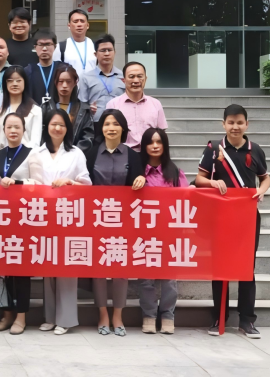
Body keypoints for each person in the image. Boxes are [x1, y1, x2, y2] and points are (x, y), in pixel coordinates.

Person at [196, 104, 270, 339]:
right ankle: (219, 317)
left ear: (247, 124)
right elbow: (199, 179)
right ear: (223, 124)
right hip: (220, 216)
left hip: (248, 217)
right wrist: (213, 183)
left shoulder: (255, 150)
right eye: (231, 122)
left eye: (239, 122)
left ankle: (247, 320)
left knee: (247, 268)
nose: (235, 127)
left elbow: (265, 178)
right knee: (220, 267)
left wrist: (261, 190)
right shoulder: (213, 149)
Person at [0, 112, 45, 335]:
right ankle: (6, 314)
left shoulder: (31, 153)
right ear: (4, 130)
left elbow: (39, 184)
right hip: (2, 219)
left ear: (24, 130)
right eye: (9, 127)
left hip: (24, 218)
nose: (13, 131)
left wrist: (17, 183)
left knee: (21, 270)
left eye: (17, 127)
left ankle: (21, 316)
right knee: (3, 270)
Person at [85, 109, 145, 337]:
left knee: (121, 269)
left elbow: (139, 182)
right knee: (99, 269)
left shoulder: (133, 156)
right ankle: (102, 314)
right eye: (107, 123)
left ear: (123, 128)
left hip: (124, 220)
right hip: (96, 220)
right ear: (101, 128)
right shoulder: (90, 154)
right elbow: (84, 183)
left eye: (116, 124)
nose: (111, 128)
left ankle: (118, 315)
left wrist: (141, 179)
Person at [35, 108, 91, 336]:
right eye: (53, 124)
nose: (57, 128)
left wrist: (70, 182)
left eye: (62, 125)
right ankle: (50, 317)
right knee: (48, 267)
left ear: (68, 129)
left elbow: (87, 185)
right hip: (42, 216)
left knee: (66, 268)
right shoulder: (36, 153)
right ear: (46, 126)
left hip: (68, 216)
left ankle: (66, 319)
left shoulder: (76, 153)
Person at [138, 127, 186, 335]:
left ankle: (167, 315)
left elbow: (186, 199)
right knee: (146, 278)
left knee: (169, 279)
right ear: (144, 146)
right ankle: (148, 315)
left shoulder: (175, 172)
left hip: (169, 233)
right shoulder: (137, 171)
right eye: (151, 142)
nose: (155, 146)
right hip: (144, 233)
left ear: (165, 145)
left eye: (159, 142)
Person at [105, 62, 167, 151]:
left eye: (140, 76)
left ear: (145, 79)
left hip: (149, 154)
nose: (136, 80)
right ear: (124, 80)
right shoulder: (113, 105)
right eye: (131, 76)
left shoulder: (156, 104)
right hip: (123, 153)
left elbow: (161, 133)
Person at [41, 64, 95, 153]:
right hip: (49, 155)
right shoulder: (45, 107)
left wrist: (72, 153)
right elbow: (40, 135)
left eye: (68, 81)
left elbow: (87, 138)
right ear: (55, 82)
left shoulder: (84, 109)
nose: (64, 85)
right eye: (61, 81)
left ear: (75, 82)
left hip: (74, 156)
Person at [78, 34, 125, 122]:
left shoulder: (123, 76)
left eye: (109, 50)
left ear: (114, 52)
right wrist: (89, 109)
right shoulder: (86, 77)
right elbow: (82, 105)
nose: (107, 53)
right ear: (95, 54)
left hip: (118, 124)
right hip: (95, 124)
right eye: (103, 50)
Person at [0, 66, 42, 149]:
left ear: (25, 82)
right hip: (3, 155)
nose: (14, 84)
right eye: (10, 81)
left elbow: (35, 141)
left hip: (27, 155)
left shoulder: (35, 110)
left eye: (18, 80)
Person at [24, 30, 64, 105]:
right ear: (35, 47)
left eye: (48, 44)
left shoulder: (62, 69)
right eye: (40, 44)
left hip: (58, 111)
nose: (44, 49)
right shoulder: (28, 71)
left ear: (55, 47)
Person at [54, 9, 96, 74]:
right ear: (69, 26)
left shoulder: (95, 46)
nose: (79, 24)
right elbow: (55, 71)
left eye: (82, 21)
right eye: (75, 21)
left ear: (87, 25)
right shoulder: (60, 47)